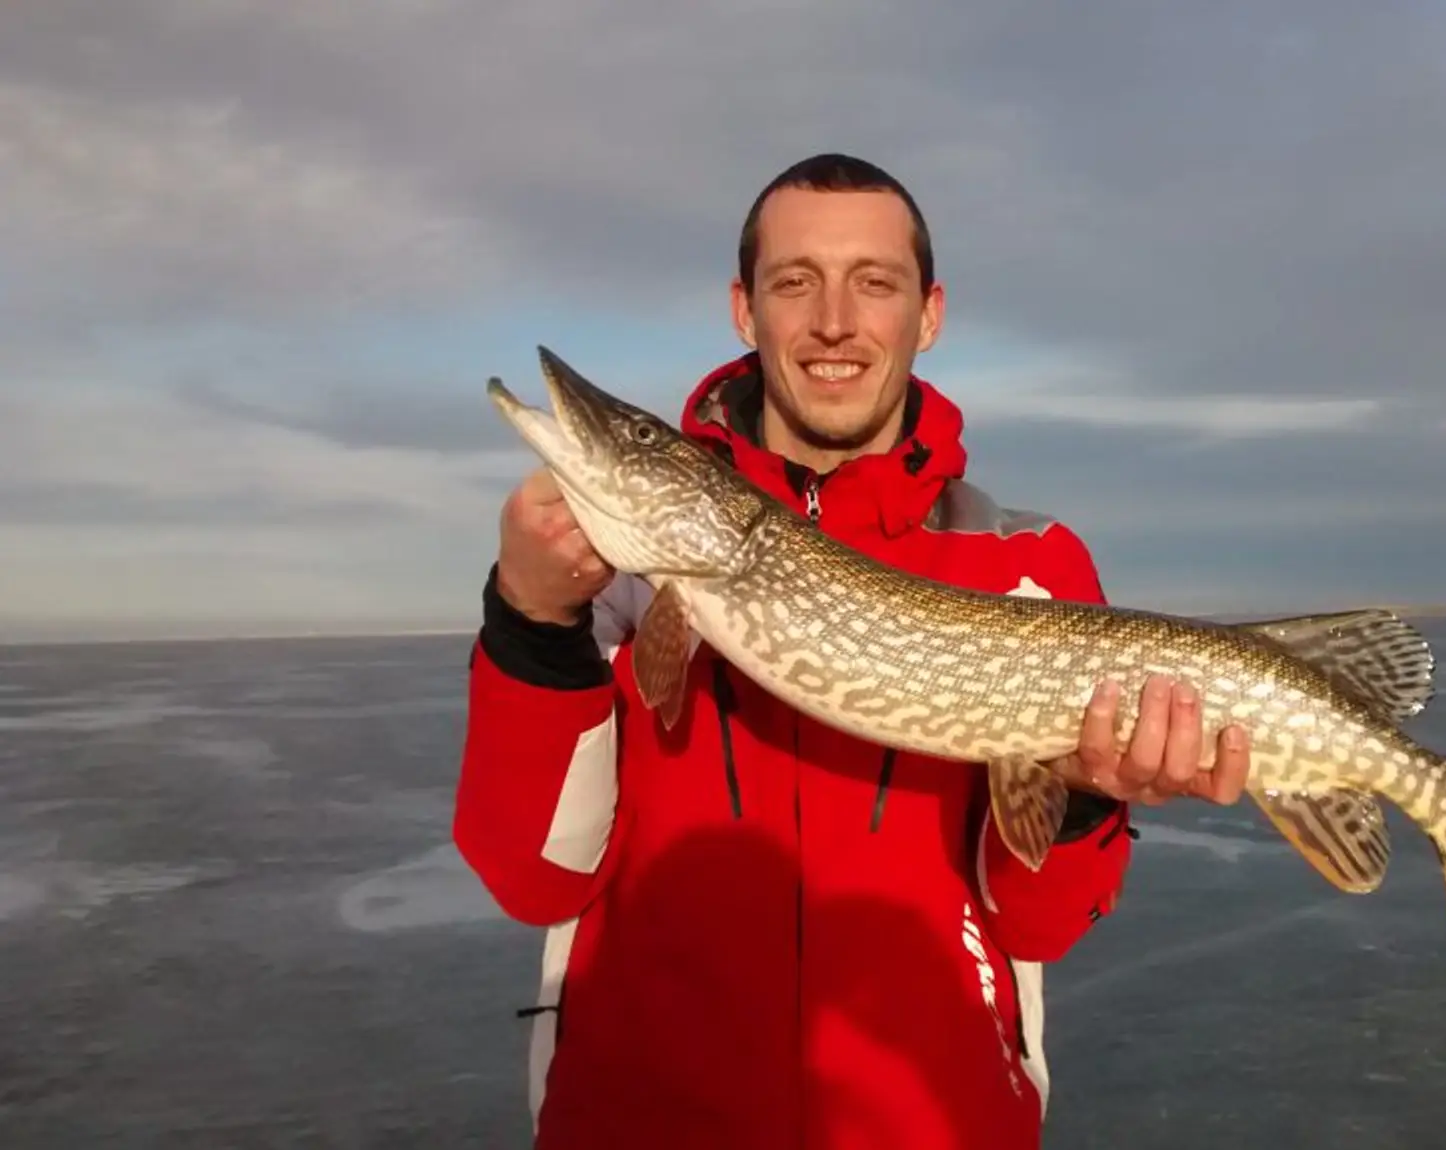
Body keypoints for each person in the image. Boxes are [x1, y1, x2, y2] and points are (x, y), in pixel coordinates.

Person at [454, 152, 1252, 1150]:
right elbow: (531, 879)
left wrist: (1086, 794)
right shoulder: (613, 584)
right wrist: (532, 620)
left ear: (928, 314)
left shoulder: (1028, 568)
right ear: (744, 310)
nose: (834, 320)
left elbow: (1040, 925)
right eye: (796, 282)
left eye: (875, 282)